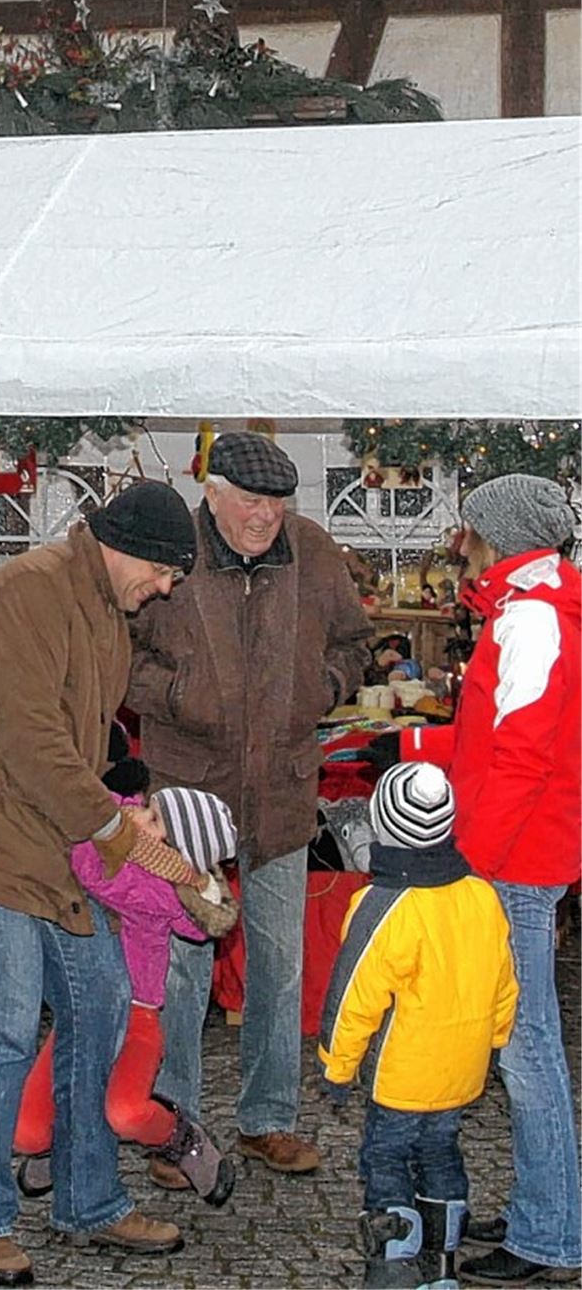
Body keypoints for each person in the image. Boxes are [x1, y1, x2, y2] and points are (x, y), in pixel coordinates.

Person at [0, 479, 198, 1289]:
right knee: (1, 1030)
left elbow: (86, 738)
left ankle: (90, 1201)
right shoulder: (31, 592)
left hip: (50, 844)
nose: (165, 590)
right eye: (166, 573)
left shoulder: (102, 608)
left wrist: (124, 804)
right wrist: (114, 828)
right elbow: (30, 741)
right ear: (129, 549)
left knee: (99, 1005)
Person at [127, 431, 371, 1178]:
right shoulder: (171, 547)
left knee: (280, 962)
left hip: (283, 792)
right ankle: (175, 1124)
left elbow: (357, 644)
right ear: (214, 492)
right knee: (182, 965)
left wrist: (322, 691)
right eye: (250, 502)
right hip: (186, 793)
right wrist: (173, 693)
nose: (265, 518)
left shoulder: (313, 552)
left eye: (276, 504)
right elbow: (116, 649)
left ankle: (269, 1118)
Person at [373, 473, 580, 1287]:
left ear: (503, 535)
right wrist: (416, 751)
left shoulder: (529, 617)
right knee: (520, 1048)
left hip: (513, 864)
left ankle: (554, 1235)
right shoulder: (529, 609)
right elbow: (495, 739)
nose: (462, 541)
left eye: (471, 528)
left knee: (528, 1056)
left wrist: (470, 863)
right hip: (521, 855)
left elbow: (523, 756)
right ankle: (544, 1208)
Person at [319, 761, 517, 1289]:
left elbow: (352, 998)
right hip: (463, 1070)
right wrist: (495, 1041)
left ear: (384, 829)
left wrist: (337, 1067)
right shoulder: (481, 896)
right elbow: (504, 980)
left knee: (385, 1158)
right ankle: (443, 1265)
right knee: (441, 1153)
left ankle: (394, 1269)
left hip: (401, 1076)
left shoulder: (382, 906)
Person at [14, 782, 240, 1209]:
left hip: (138, 1015)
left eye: (153, 821)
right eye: (147, 807)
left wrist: (190, 879)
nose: (138, 816)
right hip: (82, 1008)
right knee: (25, 1133)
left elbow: (92, 868)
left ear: (174, 851)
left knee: (127, 1112)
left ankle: (182, 1137)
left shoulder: (161, 890)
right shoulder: (125, 825)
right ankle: (62, 1148)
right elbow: (104, 812)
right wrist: (111, 813)